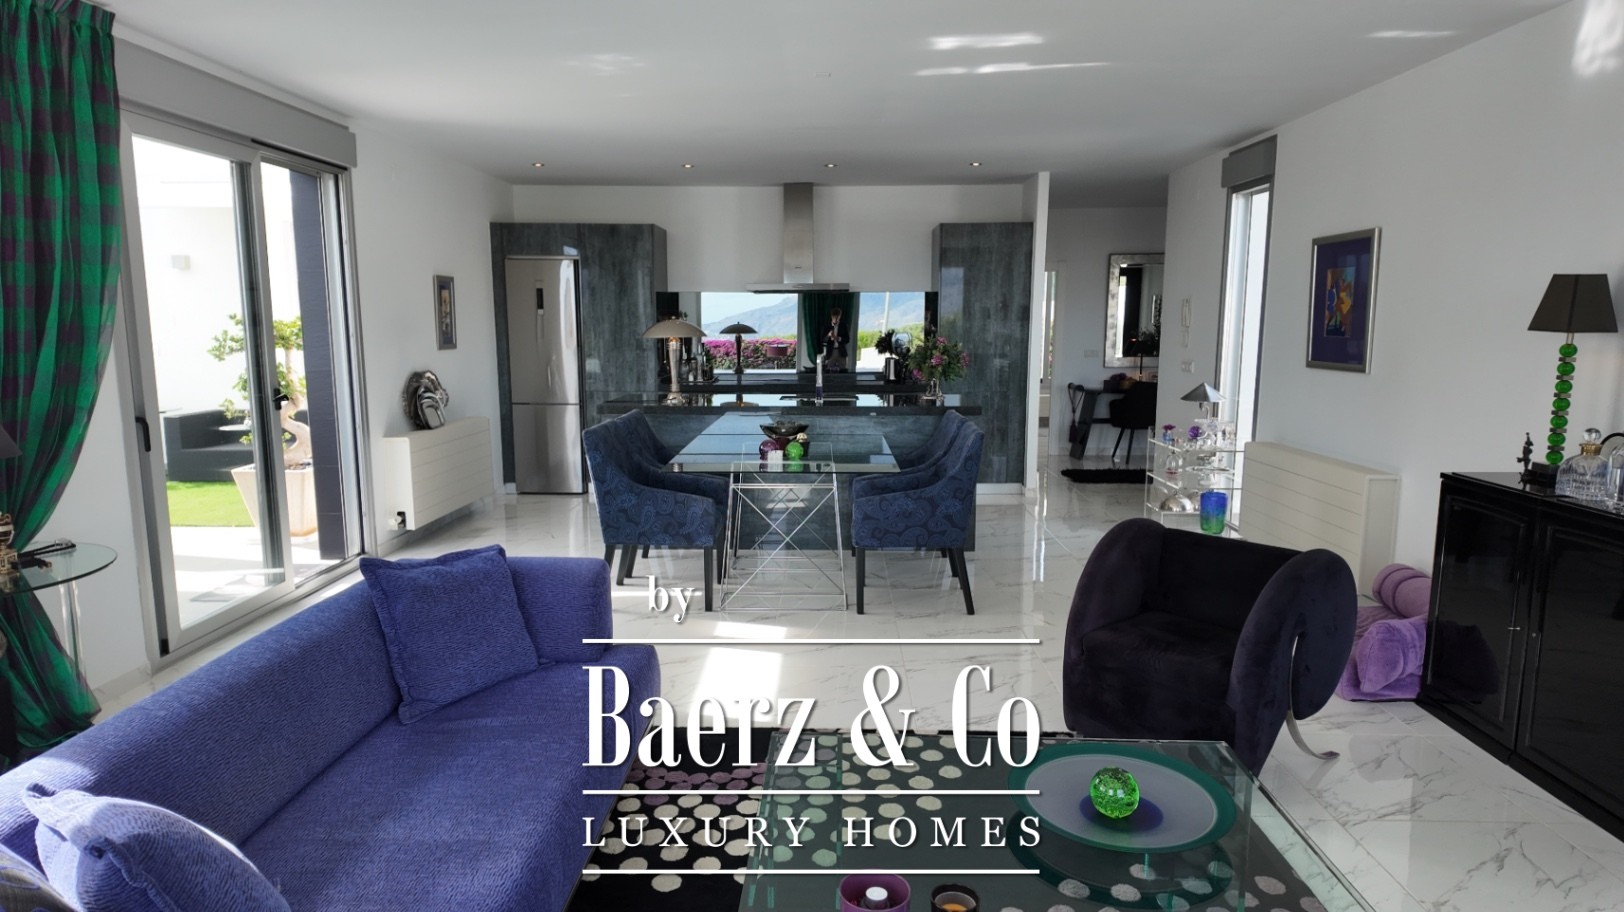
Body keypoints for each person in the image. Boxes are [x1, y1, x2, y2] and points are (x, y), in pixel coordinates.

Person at [823, 307, 849, 371]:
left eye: (837, 317)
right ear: (831, 316)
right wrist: (828, 335)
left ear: (840, 316)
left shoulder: (844, 326)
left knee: (843, 371)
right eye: (834, 317)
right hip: (830, 352)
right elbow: (823, 340)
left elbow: (847, 339)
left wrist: (838, 338)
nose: (836, 319)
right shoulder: (826, 326)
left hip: (841, 352)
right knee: (828, 371)